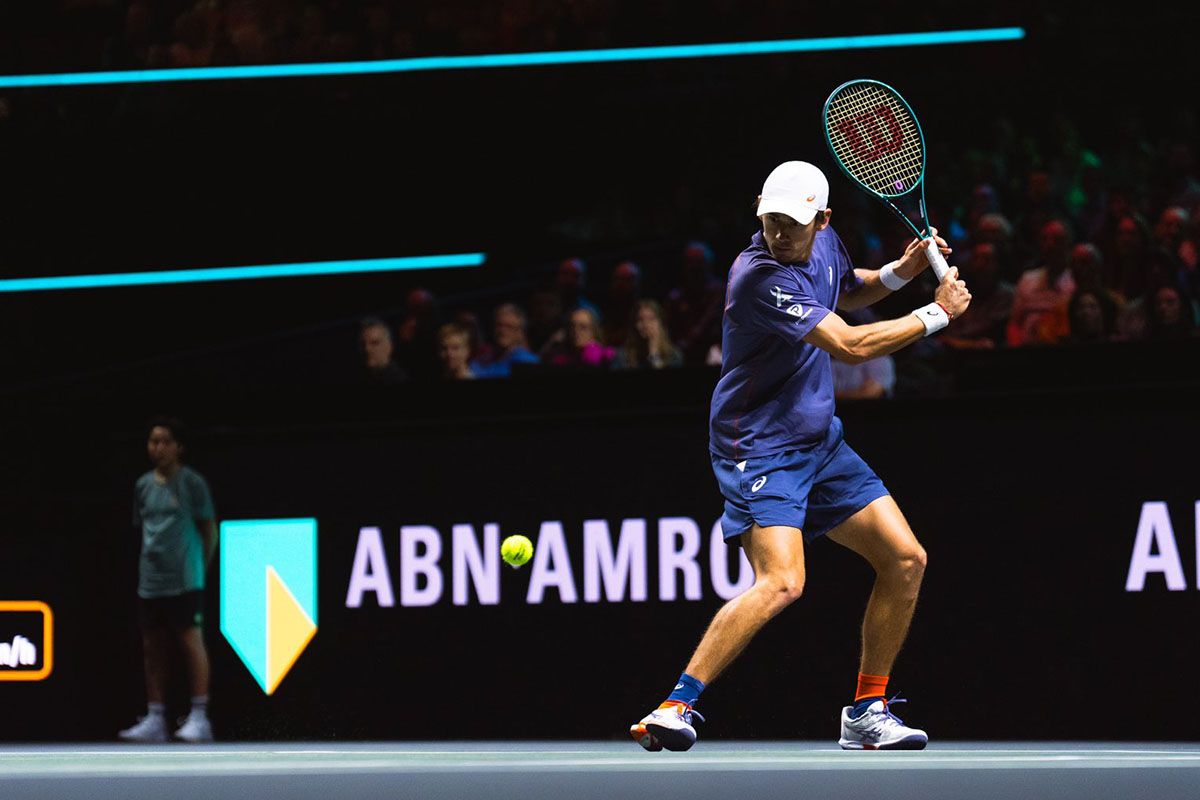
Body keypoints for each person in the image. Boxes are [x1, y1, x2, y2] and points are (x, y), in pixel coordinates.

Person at [629, 161, 970, 753]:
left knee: (906, 560)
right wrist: (936, 313)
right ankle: (674, 705)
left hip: (819, 440)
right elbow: (850, 342)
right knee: (783, 582)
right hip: (758, 446)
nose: (780, 234)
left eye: (793, 224)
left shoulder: (824, 243)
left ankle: (867, 711)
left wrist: (900, 272)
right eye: (771, 222)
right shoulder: (757, 277)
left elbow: (846, 288)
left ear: (823, 221)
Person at [119, 418, 217, 743]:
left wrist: (200, 569)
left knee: (191, 643)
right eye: (152, 441)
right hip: (151, 581)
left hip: (185, 580)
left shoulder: (192, 483)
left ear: (179, 447)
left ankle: (200, 717)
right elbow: (144, 531)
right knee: (152, 648)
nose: (157, 448)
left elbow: (208, 529)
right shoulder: (143, 486)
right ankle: (156, 717)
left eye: (164, 441)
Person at [1006, 219, 1076, 346]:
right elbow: (1014, 323)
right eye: (1045, 239)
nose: (1050, 245)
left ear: (1068, 244)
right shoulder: (1027, 279)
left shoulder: (1075, 281)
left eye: (1057, 240)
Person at [472, 303, 540, 378]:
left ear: (520, 333)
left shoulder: (526, 360)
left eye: (509, 327)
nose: (502, 331)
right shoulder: (486, 356)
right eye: (499, 325)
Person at [613, 300, 683, 369]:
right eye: (640, 319)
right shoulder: (622, 356)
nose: (646, 325)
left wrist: (654, 354)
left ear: (661, 324)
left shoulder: (673, 355)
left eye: (651, 319)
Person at [543, 307, 614, 369]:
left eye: (583, 327)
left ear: (594, 331)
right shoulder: (558, 357)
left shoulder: (607, 357)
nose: (576, 331)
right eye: (572, 326)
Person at [359, 317, 408, 384]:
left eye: (375, 343)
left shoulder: (398, 379)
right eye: (363, 344)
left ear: (390, 347)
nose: (366, 349)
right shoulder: (364, 376)